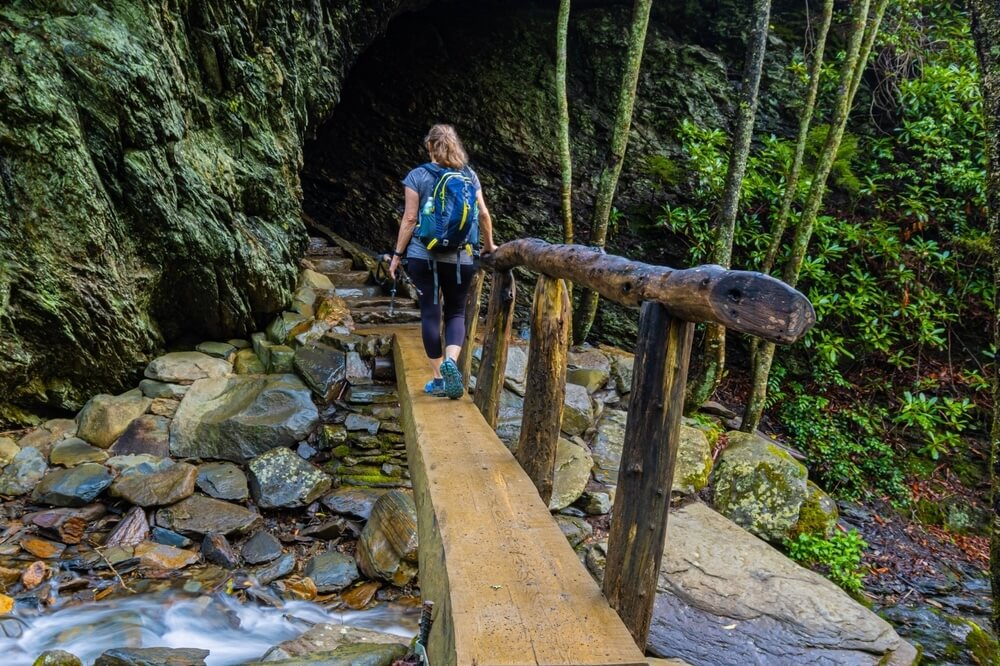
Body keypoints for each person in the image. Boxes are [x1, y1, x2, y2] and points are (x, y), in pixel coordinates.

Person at [389, 124, 498, 399]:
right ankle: (452, 360)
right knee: (456, 312)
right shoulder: (469, 176)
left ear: (430, 147)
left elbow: (410, 219)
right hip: (461, 258)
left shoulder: (417, 176)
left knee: (430, 312)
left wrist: (397, 255)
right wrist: (489, 245)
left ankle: (439, 378)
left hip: (423, 255)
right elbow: (483, 214)